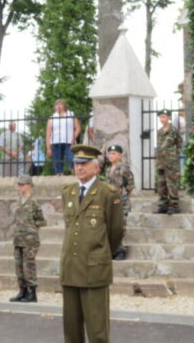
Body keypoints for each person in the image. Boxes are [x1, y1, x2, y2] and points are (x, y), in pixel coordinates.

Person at [60, 144, 123, 343]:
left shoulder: (107, 193)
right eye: (77, 164)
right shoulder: (68, 192)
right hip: (71, 268)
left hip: (94, 270)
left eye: (84, 164)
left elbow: (115, 231)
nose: (79, 167)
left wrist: (101, 255)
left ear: (96, 168)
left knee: (97, 331)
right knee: (71, 330)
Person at [9, 174, 47, 303]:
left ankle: (32, 293)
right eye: (19, 184)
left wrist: (31, 228)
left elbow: (42, 221)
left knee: (28, 265)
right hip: (18, 238)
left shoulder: (33, 202)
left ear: (30, 185)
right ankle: (22, 291)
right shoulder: (18, 201)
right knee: (19, 266)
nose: (20, 187)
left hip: (30, 239)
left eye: (22, 184)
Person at [103, 144, 135, 260]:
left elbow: (130, 186)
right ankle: (112, 249)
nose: (111, 156)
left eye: (114, 153)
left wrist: (124, 197)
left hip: (121, 202)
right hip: (109, 203)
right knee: (109, 226)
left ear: (120, 155)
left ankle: (120, 250)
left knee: (120, 226)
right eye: (109, 154)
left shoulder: (124, 169)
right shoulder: (108, 170)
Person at [155, 109, 182, 215]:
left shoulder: (173, 130)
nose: (162, 119)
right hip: (161, 161)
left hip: (171, 162)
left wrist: (175, 155)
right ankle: (163, 205)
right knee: (161, 184)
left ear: (169, 117)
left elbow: (179, 143)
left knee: (171, 183)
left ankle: (174, 205)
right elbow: (159, 146)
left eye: (164, 117)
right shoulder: (159, 131)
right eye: (160, 117)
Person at [46, 99, 81, 176]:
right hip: (55, 142)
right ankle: (60, 176)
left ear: (64, 106)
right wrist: (48, 148)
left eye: (60, 104)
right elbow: (48, 134)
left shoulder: (71, 114)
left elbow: (78, 128)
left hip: (69, 142)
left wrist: (73, 138)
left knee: (72, 159)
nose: (58, 106)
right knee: (57, 162)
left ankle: (75, 175)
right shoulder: (52, 117)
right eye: (56, 105)